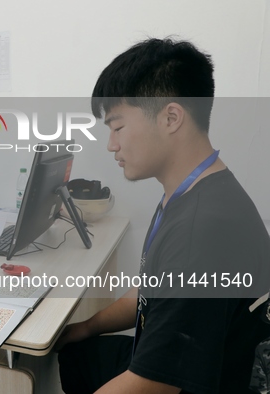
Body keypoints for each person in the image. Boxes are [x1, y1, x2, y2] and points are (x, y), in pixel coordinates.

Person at [56, 38, 270, 393]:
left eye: (118, 127)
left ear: (171, 117)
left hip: (205, 380)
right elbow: (152, 290)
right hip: (191, 358)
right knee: (77, 351)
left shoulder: (202, 230)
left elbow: (154, 384)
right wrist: (85, 327)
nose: (112, 144)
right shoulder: (190, 190)